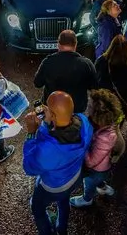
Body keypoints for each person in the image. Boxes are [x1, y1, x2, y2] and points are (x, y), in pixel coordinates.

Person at [23, 91, 93, 235]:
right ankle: (62, 229)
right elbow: (59, 134)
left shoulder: (47, 151)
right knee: (63, 201)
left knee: (37, 208)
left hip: (52, 187)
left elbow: (29, 167)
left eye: (46, 108)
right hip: (74, 178)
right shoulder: (84, 122)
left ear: (53, 115)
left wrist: (31, 134)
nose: (44, 109)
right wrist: (46, 125)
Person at [34, 30, 98, 114]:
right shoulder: (87, 64)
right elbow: (95, 88)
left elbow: (37, 83)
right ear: (75, 44)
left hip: (52, 111)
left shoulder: (48, 62)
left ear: (58, 44)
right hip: (76, 111)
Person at [95, 35, 127, 112]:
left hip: (100, 104)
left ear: (111, 47)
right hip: (117, 109)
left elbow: (95, 79)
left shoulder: (101, 61)